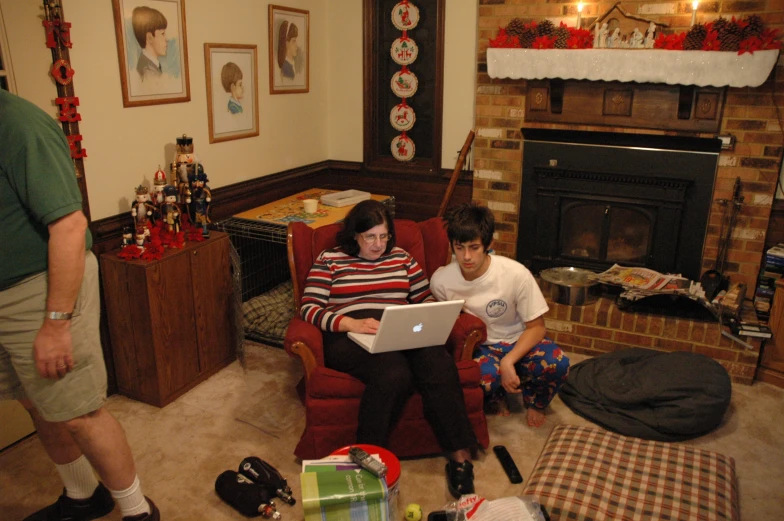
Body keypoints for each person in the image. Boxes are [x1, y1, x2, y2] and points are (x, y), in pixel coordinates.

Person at [0, 89, 160, 520]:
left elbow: (70, 226)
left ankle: (138, 511)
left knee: (79, 413)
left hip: (40, 291)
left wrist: (56, 325)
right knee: (37, 402)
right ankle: (83, 496)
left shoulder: (17, 124)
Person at [299, 200, 477, 498]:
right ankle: (366, 454)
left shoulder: (402, 258)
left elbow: (423, 297)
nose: (378, 244)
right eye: (370, 237)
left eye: (384, 236)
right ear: (354, 235)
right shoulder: (330, 259)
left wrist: (427, 315)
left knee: (437, 362)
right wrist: (348, 323)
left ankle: (460, 459)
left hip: (398, 328)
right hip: (349, 335)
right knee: (393, 372)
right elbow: (309, 309)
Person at [430, 203, 570, 428]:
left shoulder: (516, 274)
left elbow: (537, 327)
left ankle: (534, 400)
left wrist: (509, 361)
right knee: (481, 377)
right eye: (459, 247)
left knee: (558, 362)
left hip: (518, 339)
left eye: (474, 247)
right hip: (482, 345)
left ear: (488, 244)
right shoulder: (441, 281)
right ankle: (497, 396)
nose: (466, 257)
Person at [132, 6, 168, 81]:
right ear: (149, 37)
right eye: (163, 33)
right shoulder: (147, 71)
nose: (166, 39)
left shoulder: (152, 65)